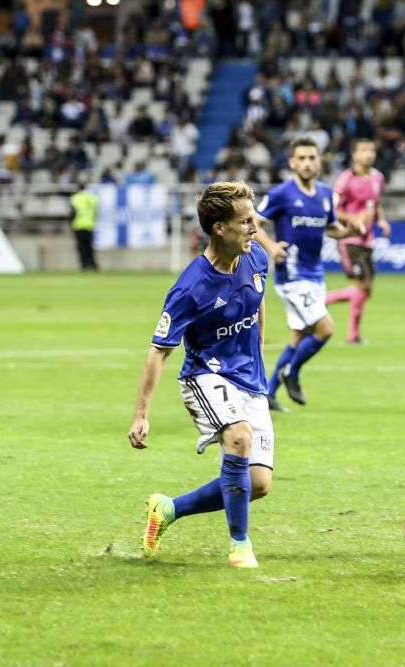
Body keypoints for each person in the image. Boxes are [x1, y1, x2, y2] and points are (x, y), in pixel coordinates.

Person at [127, 181, 271, 569]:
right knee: (239, 438)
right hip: (204, 376)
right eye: (245, 222)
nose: (254, 229)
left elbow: (258, 302)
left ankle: (168, 509)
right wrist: (142, 414)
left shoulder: (257, 257)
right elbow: (159, 351)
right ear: (219, 228)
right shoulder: (190, 287)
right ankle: (240, 547)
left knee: (257, 484)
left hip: (250, 378)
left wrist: (259, 349)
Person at [256, 137, 364, 411]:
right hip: (291, 276)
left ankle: (269, 393)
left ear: (319, 161)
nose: (306, 163)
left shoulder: (327, 194)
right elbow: (253, 223)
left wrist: (349, 231)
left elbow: (331, 228)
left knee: (299, 336)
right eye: (301, 158)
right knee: (325, 328)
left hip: (315, 273)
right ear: (292, 162)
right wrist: (270, 246)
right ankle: (291, 372)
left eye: (311, 158)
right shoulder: (282, 193)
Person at [325, 139, 391, 345]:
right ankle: (352, 335)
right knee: (362, 285)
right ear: (354, 155)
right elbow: (333, 209)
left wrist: (381, 220)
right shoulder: (346, 179)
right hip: (349, 238)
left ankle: (319, 302)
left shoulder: (378, 178)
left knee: (367, 289)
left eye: (371, 150)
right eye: (363, 150)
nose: (369, 154)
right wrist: (351, 219)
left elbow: (375, 204)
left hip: (368, 239)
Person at [70, 179, 99, 271]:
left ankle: (84, 265)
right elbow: (95, 212)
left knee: (81, 247)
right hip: (89, 225)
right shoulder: (92, 198)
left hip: (78, 225)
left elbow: (72, 213)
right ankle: (93, 265)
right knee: (90, 247)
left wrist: (71, 223)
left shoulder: (75, 198)